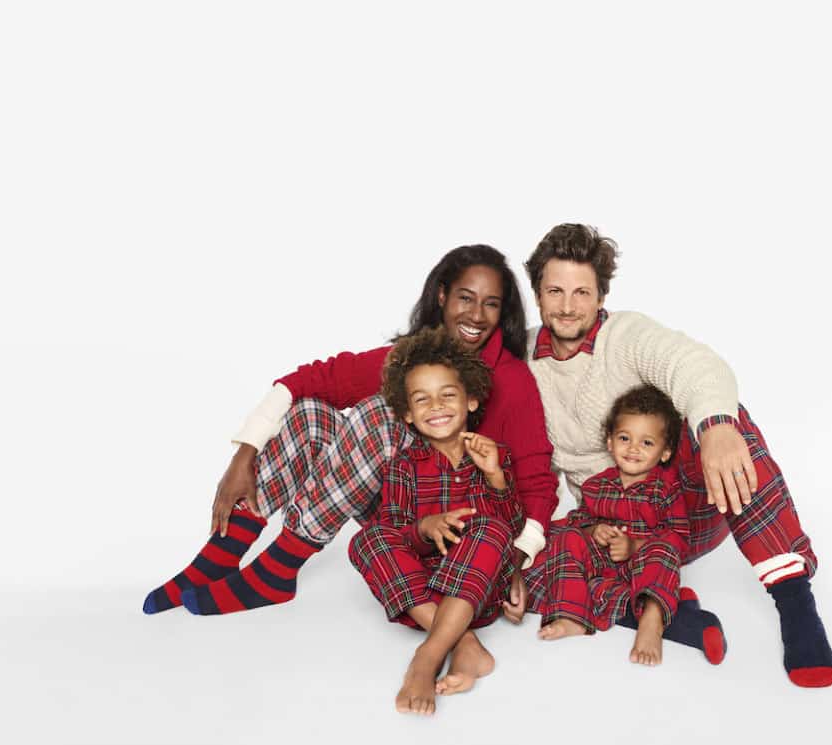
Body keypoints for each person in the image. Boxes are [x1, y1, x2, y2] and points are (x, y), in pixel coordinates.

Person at [141, 245, 555, 617]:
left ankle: (278, 567)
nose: (476, 315)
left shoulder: (512, 379)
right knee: (310, 415)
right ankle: (222, 554)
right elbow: (307, 380)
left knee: (380, 414)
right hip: (400, 504)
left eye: (491, 304)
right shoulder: (410, 357)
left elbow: (538, 481)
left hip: (454, 530)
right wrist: (244, 454)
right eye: (466, 298)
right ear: (443, 296)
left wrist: (517, 558)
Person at [509, 224, 832, 688]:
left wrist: (718, 427)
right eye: (555, 291)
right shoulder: (520, 357)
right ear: (538, 296)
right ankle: (672, 614)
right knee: (516, 572)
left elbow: (693, 364)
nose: (567, 306)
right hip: (607, 523)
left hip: (681, 510)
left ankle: (794, 600)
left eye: (581, 292)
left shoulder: (625, 334)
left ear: (601, 296)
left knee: (721, 419)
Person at [348, 328, 524, 715]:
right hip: (422, 595)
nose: (436, 406)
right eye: (422, 399)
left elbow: (509, 527)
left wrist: (495, 476)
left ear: (471, 400)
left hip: (477, 594)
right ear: (408, 413)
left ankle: (428, 655)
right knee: (367, 537)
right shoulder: (403, 466)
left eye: (448, 395)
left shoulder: (493, 455)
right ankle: (464, 646)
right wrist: (424, 528)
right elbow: (395, 534)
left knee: (490, 528)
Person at [537, 385, 725, 667]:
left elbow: (678, 539)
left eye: (647, 443)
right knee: (565, 538)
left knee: (663, 551)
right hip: (603, 571)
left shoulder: (664, 490)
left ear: (664, 452)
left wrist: (634, 546)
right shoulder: (596, 485)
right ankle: (573, 615)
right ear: (610, 442)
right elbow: (580, 520)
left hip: (643, 567)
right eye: (625, 438)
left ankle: (651, 618)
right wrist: (593, 531)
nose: (634, 448)